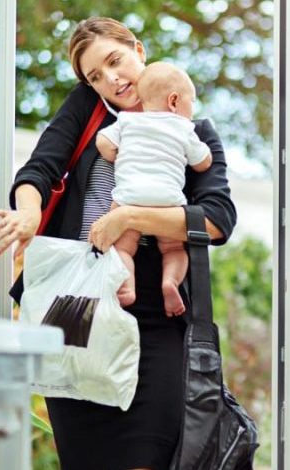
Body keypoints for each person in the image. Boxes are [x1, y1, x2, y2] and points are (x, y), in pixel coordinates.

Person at [0, 16, 236, 470]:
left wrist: (129, 216)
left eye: (114, 61)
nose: (111, 79)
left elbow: (218, 220)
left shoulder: (193, 133)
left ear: (138, 50)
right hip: (77, 306)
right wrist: (27, 214)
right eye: (95, 76)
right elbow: (39, 169)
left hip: (158, 318)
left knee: (147, 455)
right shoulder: (91, 111)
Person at [96, 61, 212, 316]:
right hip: (167, 202)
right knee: (173, 249)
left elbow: (102, 142)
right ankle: (170, 282)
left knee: (123, 248)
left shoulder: (128, 121)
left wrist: (116, 155)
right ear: (174, 101)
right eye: (191, 103)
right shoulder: (184, 128)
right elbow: (203, 162)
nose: (192, 111)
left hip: (128, 198)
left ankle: (127, 287)